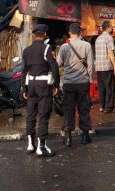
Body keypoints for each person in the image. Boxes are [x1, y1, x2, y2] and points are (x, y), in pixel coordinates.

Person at [20, 24, 60, 157]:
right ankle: (41, 146)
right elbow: (54, 67)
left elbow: (24, 71)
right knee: (43, 114)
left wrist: (23, 88)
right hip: (43, 85)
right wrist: (56, 85)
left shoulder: (26, 50)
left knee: (31, 114)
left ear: (34, 35)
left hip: (30, 84)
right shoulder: (47, 48)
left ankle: (30, 144)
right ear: (44, 35)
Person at [57, 22, 94, 147]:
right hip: (83, 83)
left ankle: (68, 137)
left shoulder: (64, 47)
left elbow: (58, 64)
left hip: (68, 83)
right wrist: (91, 80)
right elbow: (90, 66)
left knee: (68, 109)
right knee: (84, 109)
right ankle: (85, 136)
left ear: (69, 33)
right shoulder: (87, 45)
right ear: (80, 33)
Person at [95, 21, 115, 113]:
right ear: (107, 28)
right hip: (107, 66)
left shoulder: (98, 38)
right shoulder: (109, 38)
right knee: (109, 87)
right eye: (111, 27)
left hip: (99, 67)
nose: (112, 28)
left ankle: (102, 106)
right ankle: (109, 107)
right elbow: (110, 53)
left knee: (101, 87)